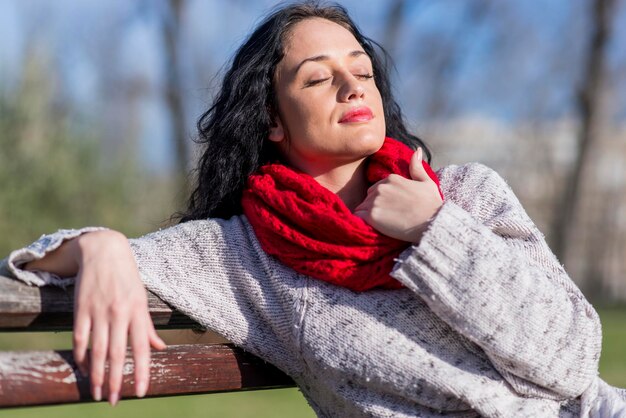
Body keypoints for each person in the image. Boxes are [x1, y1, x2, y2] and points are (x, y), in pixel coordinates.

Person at [2, 1, 625, 416]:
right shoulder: (246, 256)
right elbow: (34, 264)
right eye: (317, 77)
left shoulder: (468, 195)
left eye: (362, 71)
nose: (354, 85)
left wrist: (435, 232)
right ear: (272, 119)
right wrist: (100, 244)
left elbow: (572, 360)